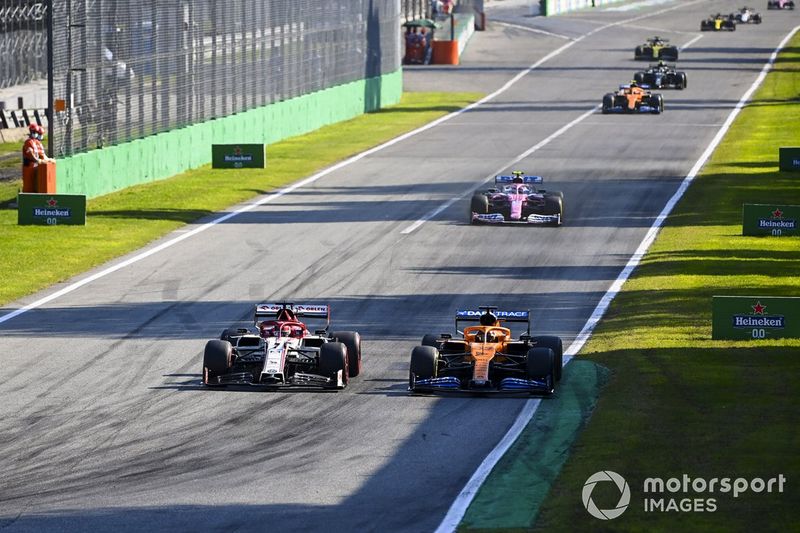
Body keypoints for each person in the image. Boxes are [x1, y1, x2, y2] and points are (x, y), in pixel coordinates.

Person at [21, 124, 52, 192]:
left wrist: (48, 160)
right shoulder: (28, 142)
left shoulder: (37, 142)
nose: (37, 134)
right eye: (35, 132)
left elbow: (42, 154)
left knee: (35, 184)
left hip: (35, 166)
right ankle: (26, 199)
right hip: (29, 166)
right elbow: (30, 154)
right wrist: (37, 160)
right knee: (28, 185)